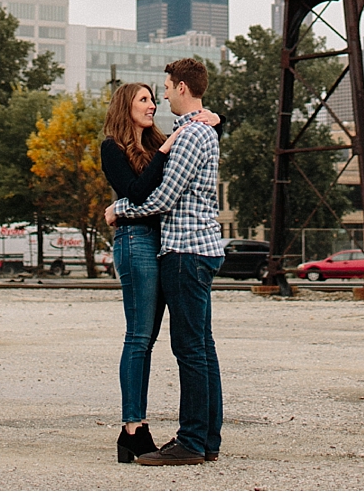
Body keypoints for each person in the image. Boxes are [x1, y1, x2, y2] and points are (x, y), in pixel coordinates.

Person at [110, 59, 224, 468]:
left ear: (180, 87)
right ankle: (207, 438)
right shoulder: (194, 130)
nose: (159, 98)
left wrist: (117, 211)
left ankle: (193, 441)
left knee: (190, 349)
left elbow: (160, 199)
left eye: (162, 90)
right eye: (144, 97)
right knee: (201, 347)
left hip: (186, 250)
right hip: (193, 247)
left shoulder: (189, 133)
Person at [101, 80, 169, 464]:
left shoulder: (158, 142)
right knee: (139, 337)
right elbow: (137, 192)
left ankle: (136, 429)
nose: (153, 105)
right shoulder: (112, 147)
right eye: (144, 99)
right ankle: (132, 428)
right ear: (126, 106)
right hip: (135, 241)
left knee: (149, 339)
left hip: (161, 242)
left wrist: (216, 117)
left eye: (154, 99)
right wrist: (162, 151)